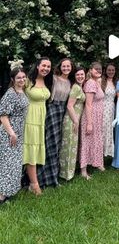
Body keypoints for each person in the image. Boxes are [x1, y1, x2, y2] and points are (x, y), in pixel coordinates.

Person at [37, 58, 74, 188]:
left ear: (71, 68)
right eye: (64, 66)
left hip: (63, 111)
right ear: (60, 67)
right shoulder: (53, 78)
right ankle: (43, 178)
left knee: (57, 144)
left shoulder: (70, 81)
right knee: (50, 143)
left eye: (68, 66)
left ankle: (53, 177)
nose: (66, 68)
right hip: (52, 109)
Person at [23, 57, 52, 195]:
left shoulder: (48, 81)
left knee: (35, 150)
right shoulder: (27, 80)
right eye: (43, 66)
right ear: (37, 66)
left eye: (48, 67)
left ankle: (31, 183)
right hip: (29, 120)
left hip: (40, 120)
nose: (46, 68)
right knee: (31, 151)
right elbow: (15, 95)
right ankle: (34, 185)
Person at [0, 67, 29, 204]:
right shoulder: (10, 94)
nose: (22, 79)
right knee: (8, 164)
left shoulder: (22, 91)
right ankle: (1, 196)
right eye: (18, 78)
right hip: (9, 133)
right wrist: (12, 133)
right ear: (13, 79)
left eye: (23, 77)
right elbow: (3, 116)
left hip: (18, 132)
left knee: (14, 164)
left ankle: (8, 191)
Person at [59, 66, 86, 181]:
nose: (80, 76)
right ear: (74, 77)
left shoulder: (80, 87)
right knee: (69, 147)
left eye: (82, 74)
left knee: (72, 146)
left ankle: (69, 171)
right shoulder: (76, 88)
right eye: (77, 75)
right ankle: (66, 174)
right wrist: (75, 121)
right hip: (71, 120)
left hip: (74, 120)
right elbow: (69, 106)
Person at [79, 62, 105, 180]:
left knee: (95, 140)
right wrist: (89, 123)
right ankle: (83, 170)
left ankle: (96, 162)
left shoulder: (96, 82)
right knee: (87, 141)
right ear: (90, 70)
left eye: (100, 69)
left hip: (97, 117)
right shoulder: (90, 83)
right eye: (96, 69)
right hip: (91, 117)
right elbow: (88, 104)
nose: (98, 71)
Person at [102, 63, 116, 158]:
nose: (111, 72)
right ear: (105, 71)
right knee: (102, 129)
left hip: (112, 108)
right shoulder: (102, 81)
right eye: (109, 70)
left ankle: (108, 152)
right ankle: (100, 153)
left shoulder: (116, 82)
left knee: (109, 129)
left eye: (112, 70)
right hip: (103, 107)